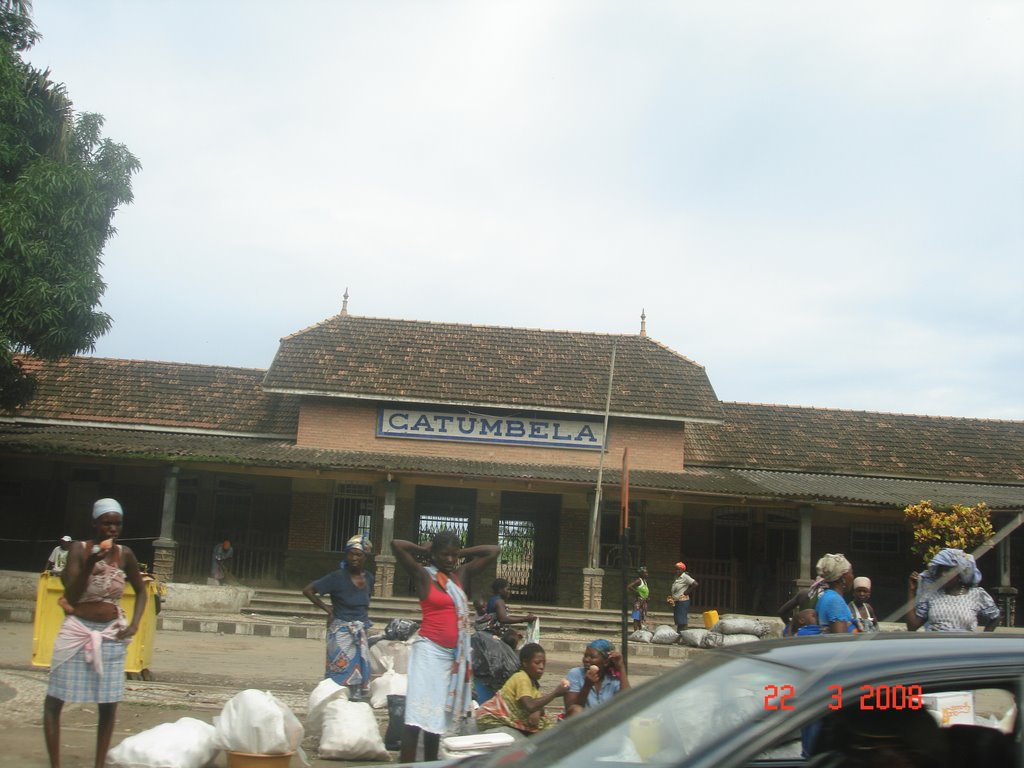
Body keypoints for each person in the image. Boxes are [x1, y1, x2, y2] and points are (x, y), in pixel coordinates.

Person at [43, 498, 147, 768]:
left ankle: (98, 764)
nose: (112, 529)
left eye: (117, 524)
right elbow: (72, 596)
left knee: (108, 703)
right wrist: (90, 563)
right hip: (78, 631)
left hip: (111, 635)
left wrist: (134, 624)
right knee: (54, 699)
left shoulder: (125, 555)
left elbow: (142, 591)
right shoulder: (78, 550)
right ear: (94, 524)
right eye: (106, 523)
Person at [391, 531, 499, 763]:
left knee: (436, 721)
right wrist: (424, 550)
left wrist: (461, 551)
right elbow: (397, 544)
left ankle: (430, 764)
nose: (450, 560)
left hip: (452, 658)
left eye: (454, 555)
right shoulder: (422, 576)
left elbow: (494, 551)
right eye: (444, 555)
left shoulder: (461, 575)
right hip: (428, 653)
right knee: (416, 719)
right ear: (434, 555)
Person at [301, 534, 375, 699]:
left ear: (365, 557)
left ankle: (354, 704)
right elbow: (308, 590)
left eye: (358, 554)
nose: (354, 558)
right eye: (351, 554)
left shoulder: (369, 578)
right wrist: (328, 609)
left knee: (358, 674)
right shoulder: (337, 577)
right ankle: (335, 703)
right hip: (341, 633)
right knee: (339, 674)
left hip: (360, 632)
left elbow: (365, 601)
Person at [476, 643, 569, 735]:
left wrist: (537, 711)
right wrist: (555, 693)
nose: (541, 667)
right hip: (490, 720)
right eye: (537, 663)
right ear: (525, 663)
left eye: (544, 663)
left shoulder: (533, 686)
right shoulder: (521, 678)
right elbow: (530, 705)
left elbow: (539, 706)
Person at [906, 548, 999, 632]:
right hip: (935, 647)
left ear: (960, 575)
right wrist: (911, 591)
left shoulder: (976, 594)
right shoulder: (931, 594)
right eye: (940, 570)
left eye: (947, 570)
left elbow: (995, 617)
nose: (942, 574)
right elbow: (912, 627)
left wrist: (983, 639)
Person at [563, 638, 631, 716]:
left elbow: (628, 700)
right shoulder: (576, 674)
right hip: (582, 724)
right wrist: (587, 685)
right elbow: (570, 709)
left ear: (606, 662)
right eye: (585, 656)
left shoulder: (613, 679)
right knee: (577, 709)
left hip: (605, 722)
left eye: (592, 657)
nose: (586, 660)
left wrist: (621, 667)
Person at [815, 553, 855, 634]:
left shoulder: (826, 595)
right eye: (851, 573)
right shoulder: (835, 601)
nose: (852, 577)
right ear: (843, 579)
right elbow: (840, 640)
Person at [667, 561, 697, 632]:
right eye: (676, 569)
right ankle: (679, 634)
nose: (676, 571)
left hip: (683, 601)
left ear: (682, 570)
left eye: (678, 569)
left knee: (682, 620)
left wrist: (687, 592)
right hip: (677, 601)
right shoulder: (677, 578)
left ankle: (683, 635)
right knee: (678, 620)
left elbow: (695, 584)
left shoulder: (685, 577)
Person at [627, 566, 651, 632]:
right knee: (636, 617)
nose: (647, 574)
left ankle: (640, 631)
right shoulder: (638, 580)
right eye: (645, 573)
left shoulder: (645, 581)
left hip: (643, 601)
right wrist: (636, 592)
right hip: (638, 602)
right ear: (641, 574)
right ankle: (635, 632)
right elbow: (629, 586)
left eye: (647, 573)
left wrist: (647, 597)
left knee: (640, 618)